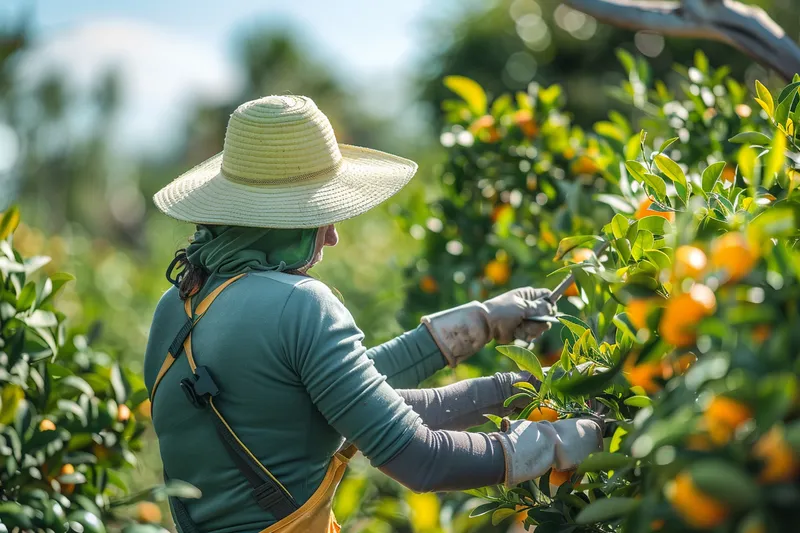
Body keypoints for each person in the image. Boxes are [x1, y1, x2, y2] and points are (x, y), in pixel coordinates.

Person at [144, 95, 603, 533]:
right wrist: (556, 444)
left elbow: (332, 396)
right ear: (281, 221)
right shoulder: (301, 302)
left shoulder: (179, 304)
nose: (332, 237)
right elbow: (423, 460)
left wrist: (488, 343)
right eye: (320, 215)